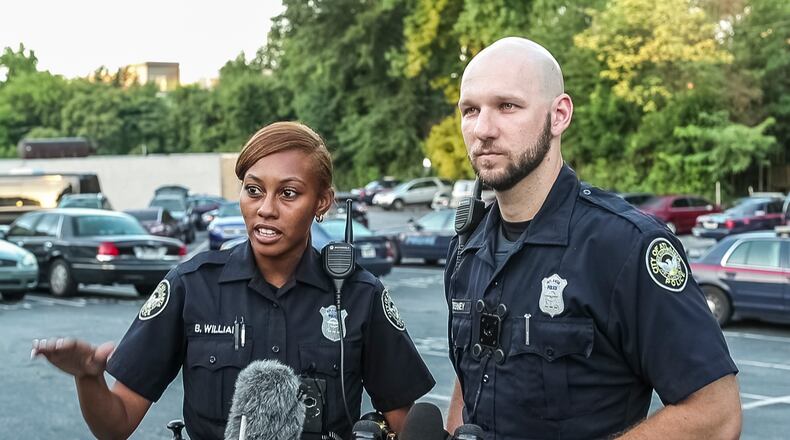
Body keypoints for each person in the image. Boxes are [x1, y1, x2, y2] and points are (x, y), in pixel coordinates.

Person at [32, 121, 435, 440]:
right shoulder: (192, 286)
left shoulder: (360, 296)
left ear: (322, 202)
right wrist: (88, 376)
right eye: (253, 190)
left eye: (289, 194)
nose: (266, 209)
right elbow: (115, 424)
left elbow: (408, 425)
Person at [444, 37, 741, 439]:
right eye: (470, 110)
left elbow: (716, 414)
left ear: (559, 115)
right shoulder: (467, 247)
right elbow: (470, 377)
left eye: (507, 106)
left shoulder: (625, 246)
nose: (483, 129)